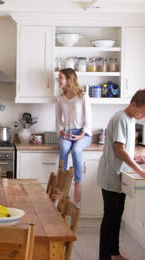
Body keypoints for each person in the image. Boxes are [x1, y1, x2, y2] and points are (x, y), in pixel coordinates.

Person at [97, 89, 145, 260]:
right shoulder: (120, 118)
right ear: (133, 104)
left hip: (118, 174)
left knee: (116, 216)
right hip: (111, 175)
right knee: (111, 217)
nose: (144, 116)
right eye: (143, 111)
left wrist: (136, 157)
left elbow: (124, 150)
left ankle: (113, 253)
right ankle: (106, 257)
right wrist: (139, 170)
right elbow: (119, 151)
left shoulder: (130, 119)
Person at [55, 68, 92, 203]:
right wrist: (61, 131)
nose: (58, 80)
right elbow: (58, 121)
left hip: (83, 134)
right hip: (67, 133)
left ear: (69, 79)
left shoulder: (82, 96)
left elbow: (89, 119)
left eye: (61, 78)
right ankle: (61, 185)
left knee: (76, 150)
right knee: (64, 149)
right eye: (58, 77)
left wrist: (82, 134)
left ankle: (77, 184)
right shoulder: (60, 99)